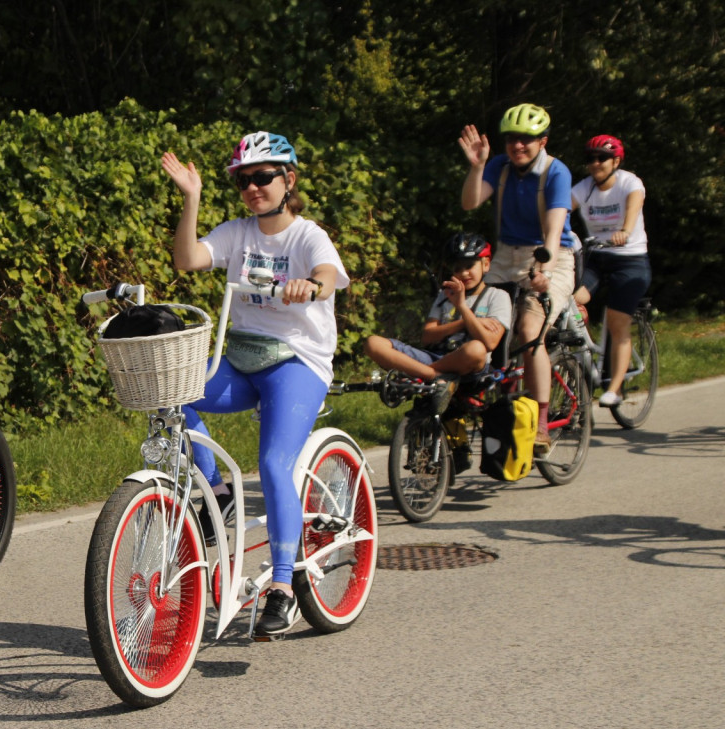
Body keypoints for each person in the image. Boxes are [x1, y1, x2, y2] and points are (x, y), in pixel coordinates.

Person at [161, 131, 348, 639]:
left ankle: (284, 587)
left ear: (288, 180)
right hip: (242, 356)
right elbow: (187, 260)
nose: (252, 187)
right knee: (173, 390)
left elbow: (330, 274)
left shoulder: (307, 236)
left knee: (272, 464)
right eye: (244, 179)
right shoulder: (237, 232)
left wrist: (311, 284)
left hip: (298, 362)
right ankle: (218, 494)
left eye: (263, 176)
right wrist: (192, 198)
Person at [458, 103, 576, 454]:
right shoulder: (500, 166)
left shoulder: (557, 173)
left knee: (528, 332)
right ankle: (486, 400)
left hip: (550, 254)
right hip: (507, 256)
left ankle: (540, 423)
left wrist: (546, 271)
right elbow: (469, 203)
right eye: (512, 139)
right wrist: (477, 166)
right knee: (477, 322)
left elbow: (554, 231)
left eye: (526, 139)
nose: (518, 146)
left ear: (543, 141)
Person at [364, 232, 512, 414]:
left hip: (468, 366)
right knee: (373, 343)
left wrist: (462, 308)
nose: (464, 273)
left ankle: (421, 374)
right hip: (435, 356)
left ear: (486, 264)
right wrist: (462, 324)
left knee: (476, 349)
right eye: (458, 268)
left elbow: (490, 343)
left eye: (469, 266)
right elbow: (427, 337)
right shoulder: (445, 295)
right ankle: (435, 377)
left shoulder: (497, 297)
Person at [570, 134, 651, 407]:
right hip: (596, 258)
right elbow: (560, 210)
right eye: (590, 158)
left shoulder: (630, 182)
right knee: (571, 302)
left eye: (602, 158)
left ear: (616, 161)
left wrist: (626, 230)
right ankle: (591, 353)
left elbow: (634, 203)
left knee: (617, 323)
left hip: (629, 260)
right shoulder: (584, 188)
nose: (595, 163)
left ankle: (614, 388)